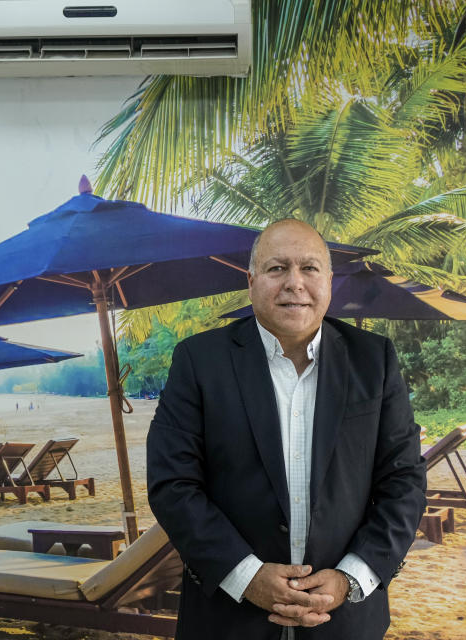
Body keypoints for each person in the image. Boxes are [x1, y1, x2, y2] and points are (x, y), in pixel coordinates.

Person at [147, 219, 426, 639]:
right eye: (277, 268)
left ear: (329, 281)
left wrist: (351, 577)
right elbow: (173, 483)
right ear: (251, 281)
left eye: (309, 268)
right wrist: (246, 576)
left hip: (345, 622)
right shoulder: (199, 361)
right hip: (228, 620)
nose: (294, 283)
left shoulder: (374, 361)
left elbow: (404, 480)